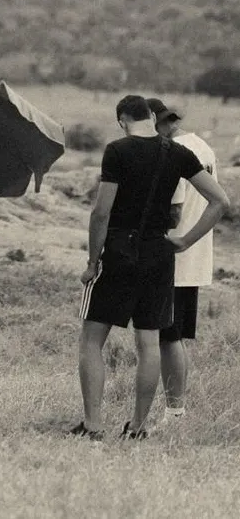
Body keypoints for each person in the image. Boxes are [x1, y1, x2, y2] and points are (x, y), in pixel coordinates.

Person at [73, 94, 229, 441]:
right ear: (151, 116)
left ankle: (93, 425)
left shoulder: (117, 150)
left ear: (122, 120)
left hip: (119, 248)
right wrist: (186, 241)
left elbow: (101, 211)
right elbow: (221, 201)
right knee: (149, 343)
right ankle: (138, 427)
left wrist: (91, 260)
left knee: (91, 340)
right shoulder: (178, 152)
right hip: (159, 253)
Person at [147, 97, 218, 423]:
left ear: (156, 123)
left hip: (173, 254)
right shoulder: (203, 147)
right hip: (195, 256)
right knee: (170, 337)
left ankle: (175, 410)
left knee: (167, 337)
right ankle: (174, 407)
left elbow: (173, 210)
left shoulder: (171, 152)